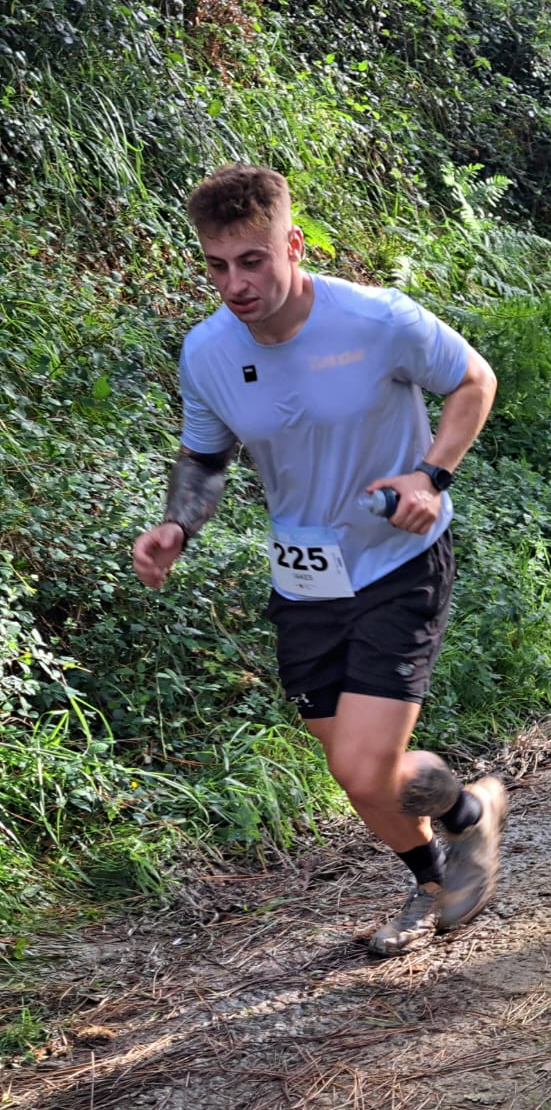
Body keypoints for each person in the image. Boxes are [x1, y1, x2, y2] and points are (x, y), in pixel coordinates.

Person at [130, 164, 505, 956]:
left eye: (253, 259)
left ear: (291, 244)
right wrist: (177, 527)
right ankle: (445, 855)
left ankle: (461, 832)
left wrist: (431, 475)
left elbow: (474, 381)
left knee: (371, 768)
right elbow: (205, 458)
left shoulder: (376, 319)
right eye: (217, 265)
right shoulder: (207, 352)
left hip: (399, 559)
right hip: (304, 579)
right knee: (354, 770)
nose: (235, 283)